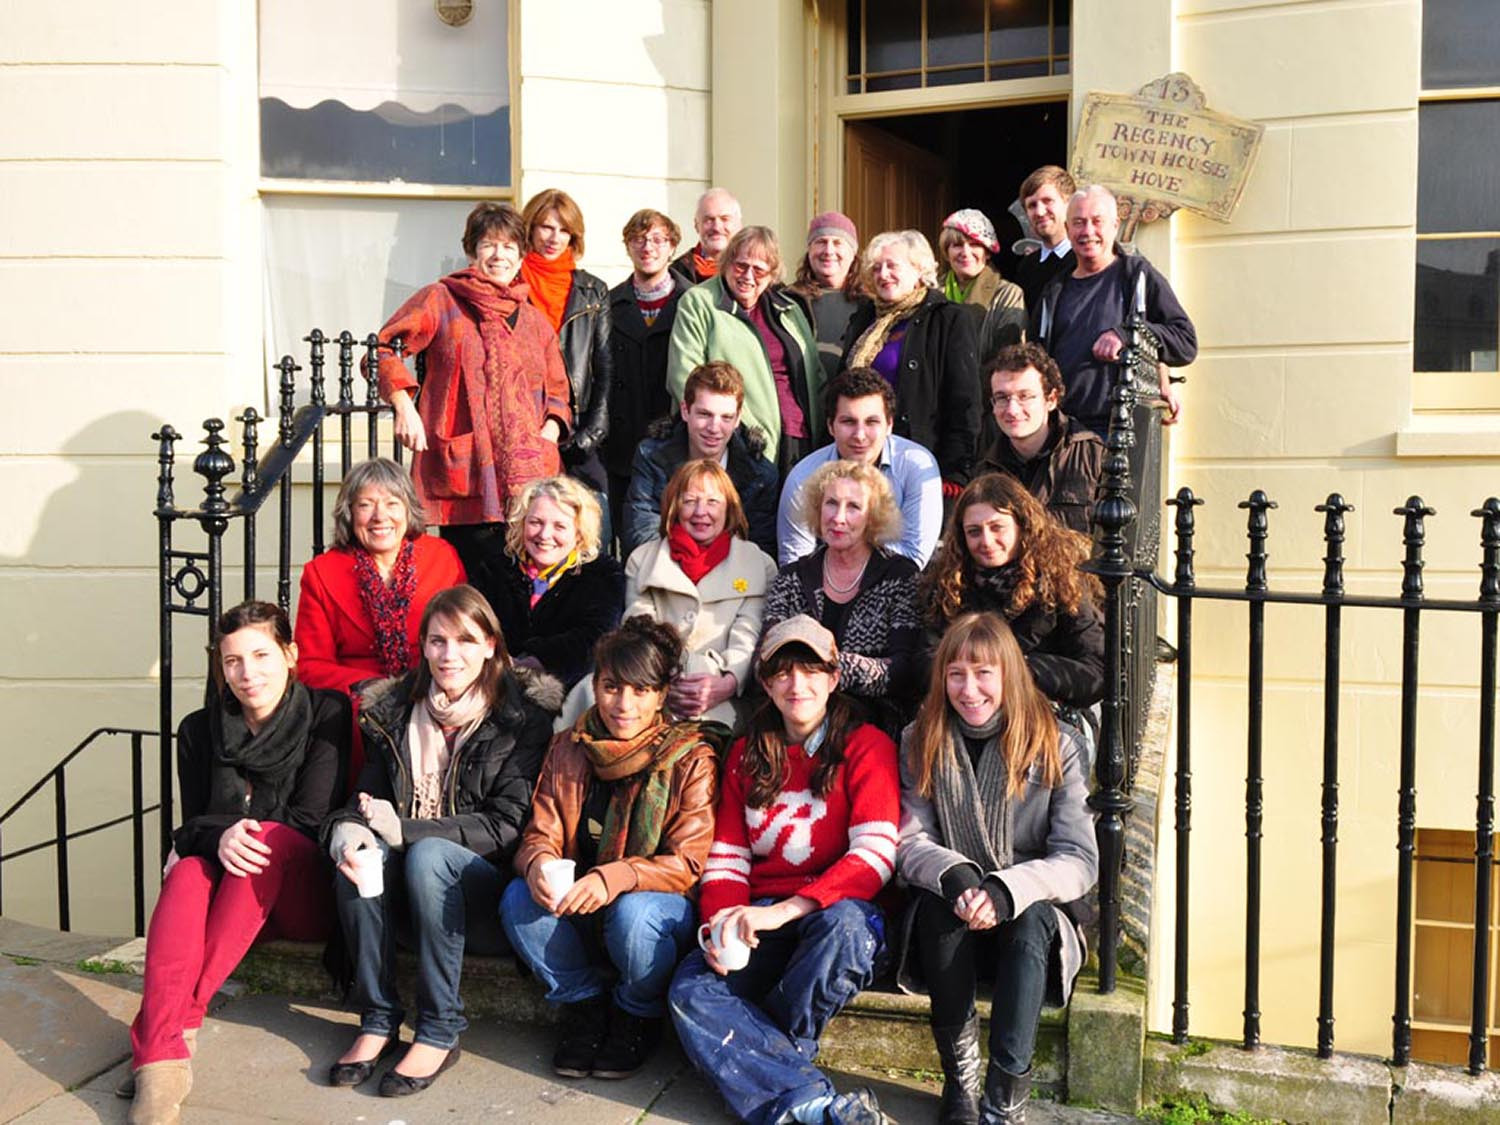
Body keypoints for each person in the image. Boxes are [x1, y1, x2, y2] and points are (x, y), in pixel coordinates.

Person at [123, 601, 349, 1124]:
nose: (248, 674)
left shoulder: (327, 713)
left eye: (261, 655)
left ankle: (181, 1018)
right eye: (232, 662)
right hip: (230, 898)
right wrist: (219, 832)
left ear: (290, 655)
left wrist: (222, 831)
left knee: (265, 839)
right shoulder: (200, 730)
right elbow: (194, 825)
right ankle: (159, 1063)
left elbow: (310, 820)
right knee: (185, 870)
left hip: (299, 894)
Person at [668, 615, 899, 1125]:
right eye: (784, 672)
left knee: (844, 928)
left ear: (835, 677)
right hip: (763, 919)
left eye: (812, 670)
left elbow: (875, 857)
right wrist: (721, 923)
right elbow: (728, 857)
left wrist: (787, 911)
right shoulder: (746, 754)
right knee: (690, 990)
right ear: (767, 682)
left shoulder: (867, 746)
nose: (799, 684)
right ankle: (814, 1105)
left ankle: (781, 1072)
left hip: (841, 917)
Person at [325, 585, 554, 1097]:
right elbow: (366, 800)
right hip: (409, 902)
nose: (450, 655)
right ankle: (377, 1018)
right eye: (437, 641)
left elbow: (506, 826)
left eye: (466, 641)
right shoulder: (396, 714)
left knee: (428, 854)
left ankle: (439, 1029)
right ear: (424, 647)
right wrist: (348, 834)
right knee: (358, 855)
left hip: (482, 899)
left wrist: (404, 831)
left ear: (492, 645)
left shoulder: (522, 720)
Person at [897, 612, 1098, 1125]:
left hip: (1028, 916)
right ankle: (960, 1085)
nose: (969, 689)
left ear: (1008, 674)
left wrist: (1007, 891)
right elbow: (912, 838)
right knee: (936, 913)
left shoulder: (1057, 745)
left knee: (1031, 923)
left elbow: (1079, 858)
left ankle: (1005, 1100)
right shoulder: (921, 739)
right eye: (957, 673)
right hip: (956, 909)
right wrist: (961, 879)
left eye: (984, 673)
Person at [501, 617, 718, 1079]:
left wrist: (615, 877)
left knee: (633, 915)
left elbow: (689, 862)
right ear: (595, 687)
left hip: (652, 912)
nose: (624, 705)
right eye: (612, 687)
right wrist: (538, 862)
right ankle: (585, 1006)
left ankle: (636, 1013)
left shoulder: (691, 757)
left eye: (641, 691)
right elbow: (540, 832)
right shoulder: (569, 747)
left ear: (661, 696)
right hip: (581, 906)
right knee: (517, 898)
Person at [370, 201, 571, 586]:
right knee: (469, 591)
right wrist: (402, 403)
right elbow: (380, 348)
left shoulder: (532, 319)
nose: (500, 256)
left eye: (510, 246)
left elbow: (558, 391)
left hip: (527, 484)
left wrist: (548, 434)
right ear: (471, 251)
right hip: (467, 479)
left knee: (522, 593)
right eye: (489, 245)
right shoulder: (441, 300)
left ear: (521, 255)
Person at [295, 459, 465, 774]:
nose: (380, 517)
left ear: (408, 509)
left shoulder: (442, 556)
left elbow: (467, 637)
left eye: (391, 503)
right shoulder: (321, 572)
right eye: (365, 505)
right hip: (360, 704)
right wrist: (374, 688)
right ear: (350, 514)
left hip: (434, 687)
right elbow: (308, 666)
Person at [922, 474, 1103, 714]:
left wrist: (1022, 670)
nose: (986, 541)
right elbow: (924, 658)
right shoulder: (947, 583)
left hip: (1043, 709)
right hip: (966, 708)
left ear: (1022, 526)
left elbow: (1095, 672)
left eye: (997, 527)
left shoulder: (1061, 579)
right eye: (974, 532)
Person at [763, 460, 922, 733]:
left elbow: (903, 671)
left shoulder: (900, 576)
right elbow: (765, 660)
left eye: (854, 507)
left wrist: (825, 669)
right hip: (795, 716)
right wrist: (817, 678)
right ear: (817, 507)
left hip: (874, 722)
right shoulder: (791, 578)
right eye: (831, 503)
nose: (838, 518)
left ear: (873, 516)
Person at [624, 459, 779, 730]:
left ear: (728, 508)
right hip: (655, 692)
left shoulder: (758, 563)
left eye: (712, 502)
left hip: (727, 695)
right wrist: (665, 685)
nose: (701, 512)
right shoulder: (642, 560)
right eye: (689, 501)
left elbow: (749, 634)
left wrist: (728, 682)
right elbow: (639, 632)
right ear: (674, 506)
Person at [1032, 185, 1196, 436]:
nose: (1088, 231)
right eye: (1078, 222)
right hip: (1062, 431)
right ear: (1067, 229)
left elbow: (1184, 341)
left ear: (1114, 225)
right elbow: (1035, 360)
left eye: (1097, 221)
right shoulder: (1052, 291)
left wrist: (1126, 334)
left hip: (1119, 431)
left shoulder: (1138, 277)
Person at [666, 226, 824, 475]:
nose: (748, 276)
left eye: (759, 269)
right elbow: (684, 376)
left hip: (799, 440)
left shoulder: (790, 310)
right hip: (738, 445)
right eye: (741, 265)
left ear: (771, 274)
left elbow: (816, 375)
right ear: (727, 262)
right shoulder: (699, 302)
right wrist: (732, 431)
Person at [840, 230, 980, 494]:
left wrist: (955, 473)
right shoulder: (864, 319)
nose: (883, 274)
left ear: (918, 270)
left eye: (892, 266)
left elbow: (965, 400)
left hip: (919, 463)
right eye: (877, 268)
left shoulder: (948, 319)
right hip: (861, 459)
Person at [777, 366, 943, 567]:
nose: (860, 435)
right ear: (831, 426)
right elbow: (795, 564)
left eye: (871, 422)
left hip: (899, 590)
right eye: (848, 422)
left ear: (889, 424)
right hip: (820, 592)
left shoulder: (917, 465)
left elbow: (913, 556)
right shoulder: (803, 478)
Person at [520, 188, 614, 536]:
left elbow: (604, 367)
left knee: (592, 529)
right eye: (546, 227)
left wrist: (592, 433)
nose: (553, 238)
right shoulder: (512, 285)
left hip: (578, 432)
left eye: (563, 230)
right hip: (526, 427)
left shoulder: (592, 290)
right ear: (529, 229)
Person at [623, 361, 779, 558]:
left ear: (738, 418)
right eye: (705, 414)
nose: (714, 427)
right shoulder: (652, 457)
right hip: (665, 571)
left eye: (726, 417)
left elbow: (760, 548)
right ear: (686, 411)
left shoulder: (761, 474)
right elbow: (641, 531)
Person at [484, 476, 624, 693]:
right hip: (496, 684)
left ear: (579, 533)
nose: (545, 534)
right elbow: (473, 626)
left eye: (560, 526)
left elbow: (595, 638)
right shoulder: (495, 570)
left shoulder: (602, 573)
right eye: (536, 522)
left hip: (571, 692)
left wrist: (537, 660)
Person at [605, 209, 692, 538]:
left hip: (675, 442)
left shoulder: (692, 301)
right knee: (632, 542)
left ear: (672, 246)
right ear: (627, 246)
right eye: (638, 239)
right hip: (621, 446)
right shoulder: (609, 304)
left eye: (658, 239)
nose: (648, 247)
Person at [977, 343, 1102, 535]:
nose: (1012, 410)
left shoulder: (1094, 457)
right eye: (1001, 398)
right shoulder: (985, 468)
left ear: (1051, 399)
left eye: (1024, 396)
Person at [938, 208, 1027, 363]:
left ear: (987, 251)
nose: (965, 253)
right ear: (947, 251)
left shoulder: (1008, 294)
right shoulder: (931, 292)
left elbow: (1009, 354)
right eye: (957, 245)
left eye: (974, 245)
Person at [787, 211, 865, 385]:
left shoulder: (870, 305)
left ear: (853, 253)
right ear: (809, 250)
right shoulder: (788, 302)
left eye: (837, 243)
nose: (829, 251)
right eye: (821, 242)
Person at [1012, 166, 1077, 313]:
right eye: (1032, 205)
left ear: (1069, 203)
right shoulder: (1026, 268)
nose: (1040, 212)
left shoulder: (1086, 260)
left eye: (1047, 201)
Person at [670, 187, 743, 287]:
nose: (717, 227)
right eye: (709, 220)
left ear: (739, 225)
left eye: (724, 219)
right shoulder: (676, 273)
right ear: (696, 225)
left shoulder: (754, 271)